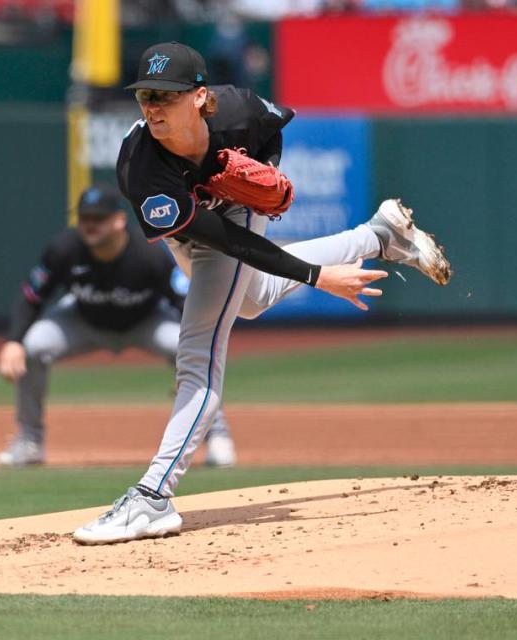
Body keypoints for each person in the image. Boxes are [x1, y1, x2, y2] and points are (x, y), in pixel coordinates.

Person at [71, 42, 451, 545]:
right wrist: (319, 277)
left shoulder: (239, 109)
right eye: (145, 95)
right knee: (248, 300)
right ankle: (380, 236)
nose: (153, 106)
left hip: (229, 208)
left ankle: (152, 498)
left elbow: (272, 131)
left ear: (199, 97)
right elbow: (226, 242)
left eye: (166, 94)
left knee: (198, 353)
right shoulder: (142, 169)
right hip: (196, 226)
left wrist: (260, 170)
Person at [0, 183, 238, 468]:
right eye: (85, 218)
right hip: (83, 321)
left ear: (119, 220)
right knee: (33, 345)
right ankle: (29, 440)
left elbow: (185, 302)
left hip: (145, 321)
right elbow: (31, 296)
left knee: (184, 346)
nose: (90, 225)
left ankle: (218, 435)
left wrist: (188, 360)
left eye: (99, 218)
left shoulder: (150, 255)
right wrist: (13, 340)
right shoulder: (64, 249)